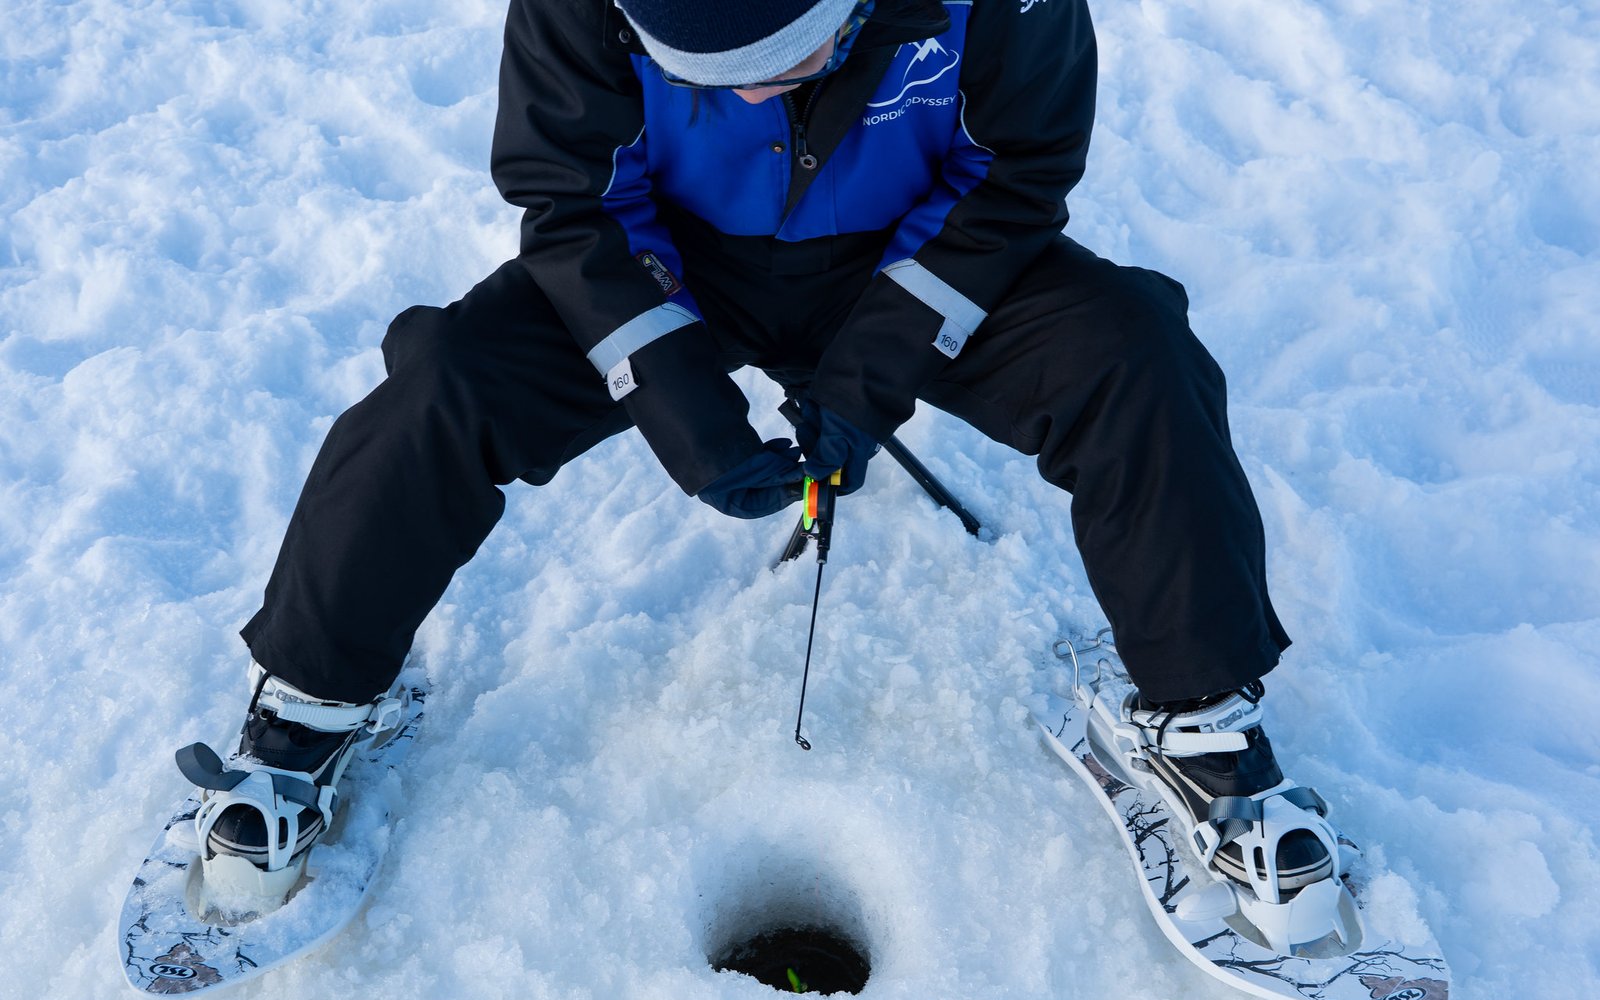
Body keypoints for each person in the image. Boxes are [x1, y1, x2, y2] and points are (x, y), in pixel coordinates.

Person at [181, 0, 1339, 931]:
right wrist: (674, 393)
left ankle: (1200, 723)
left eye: (767, 63)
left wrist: (873, 364)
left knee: (1136, 353)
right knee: (440, 379)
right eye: (693, 67)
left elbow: (1016, 172)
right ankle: (308, 711)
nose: (734, 92)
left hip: (912, 255)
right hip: (668, 262)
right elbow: (571, 193)